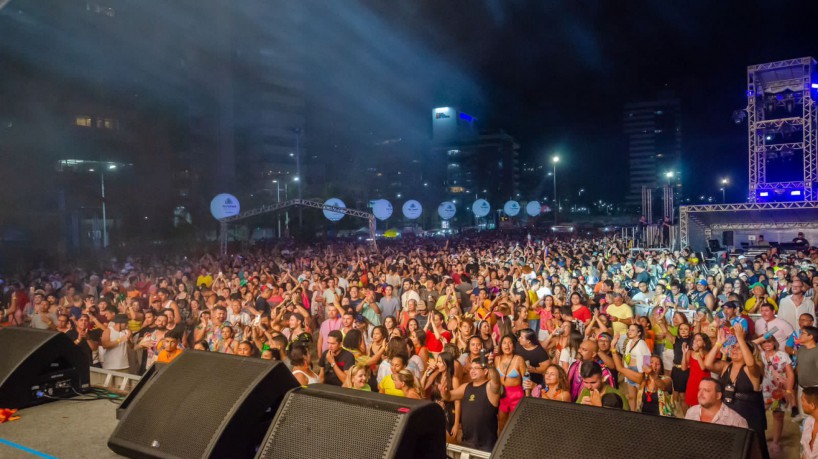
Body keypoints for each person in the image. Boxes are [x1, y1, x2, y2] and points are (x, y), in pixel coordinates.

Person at [705, 325, 768, 458]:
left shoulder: (754, 369)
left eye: (739, 348)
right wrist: (718, 343)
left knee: (752, 450)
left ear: (748, 353)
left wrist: (740, 338)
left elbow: (751, 364)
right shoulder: (726, 366)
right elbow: (708, 364)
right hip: (727, 412)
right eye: (734, 347)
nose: (734, 349)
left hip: (750, 414)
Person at [439, 354, 501, 452]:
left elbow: (497, 382)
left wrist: (490, 366)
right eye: (471, 368)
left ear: (485, 371)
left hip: (486, 444)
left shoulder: (489, 387)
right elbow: (449, 397)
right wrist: (444, 391)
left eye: (476, 368)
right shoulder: (466, 387)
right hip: (467, 441)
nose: (472, 370)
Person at [758, 336, 795, 453]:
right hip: (762, 390)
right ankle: (759, 441)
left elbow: (790, 374)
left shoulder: (782, 355)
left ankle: (775, 442)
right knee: (758, 415)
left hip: (778, 391)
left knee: (778, 416)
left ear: (774, 342)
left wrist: (788, 391)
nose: (767, 344)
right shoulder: (759, 355)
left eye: (769, 341)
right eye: (764, 342)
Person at [684, 378, 749, 428]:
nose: (700, 394)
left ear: (718, 395)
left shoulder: (736, 421)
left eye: (706, 390)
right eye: (699, 389)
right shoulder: (691, 412)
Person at [495, 334, 526, 431]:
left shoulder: (519, 359)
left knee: (516, 425)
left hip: (516, 395)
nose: (507, 346)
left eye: (510, 343)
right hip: (502, 395)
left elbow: (526, 379)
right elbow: (494, 378)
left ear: (514, 345)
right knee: (501, 423)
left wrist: (528, 398)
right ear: (501, 346)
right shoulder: (497, 359)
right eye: (504, 343)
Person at [800, 387, 818, 459]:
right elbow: (805, 453)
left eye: (802, 401)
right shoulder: (808, 422)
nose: (801, 404)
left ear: (812, 405)